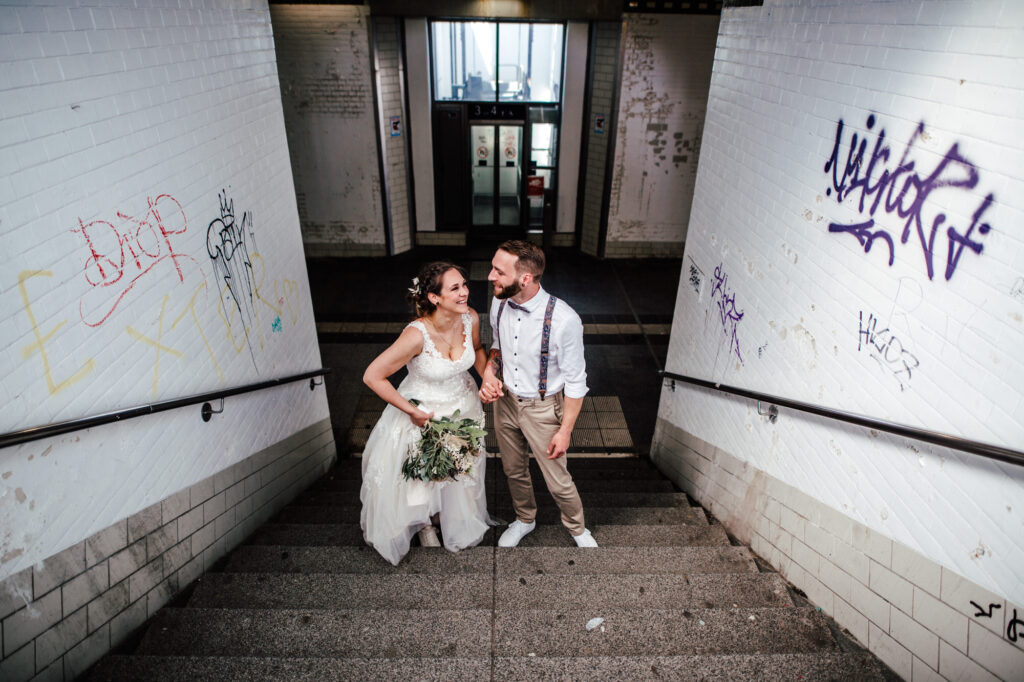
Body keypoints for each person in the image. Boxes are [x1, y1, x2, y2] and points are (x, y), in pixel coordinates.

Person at [360, 262, 492, 565]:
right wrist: (412, 411)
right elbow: (372, 376)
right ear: (434, 297)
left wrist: (488, 378)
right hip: (424, 414)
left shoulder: (470, 317)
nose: (464, 292)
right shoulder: (416, 335)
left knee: (457, 467)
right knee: (420, 475)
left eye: (464, 285)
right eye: (455, 288)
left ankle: (449, 516)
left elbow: (476, 350)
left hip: (463, 408)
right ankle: (423, 524)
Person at [479, 241, 598, 548]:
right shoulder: (499, 302)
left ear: (525, 278)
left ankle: (577, 529)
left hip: (543, 408)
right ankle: (525, 519)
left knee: (557, 480)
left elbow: (576, 382)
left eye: (499, 271)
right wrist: (490, 372)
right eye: (492, 268)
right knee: (513, 470)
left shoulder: (564, 320)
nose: (490, 276)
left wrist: (565, 430)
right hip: (505, 403)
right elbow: (497, 346)